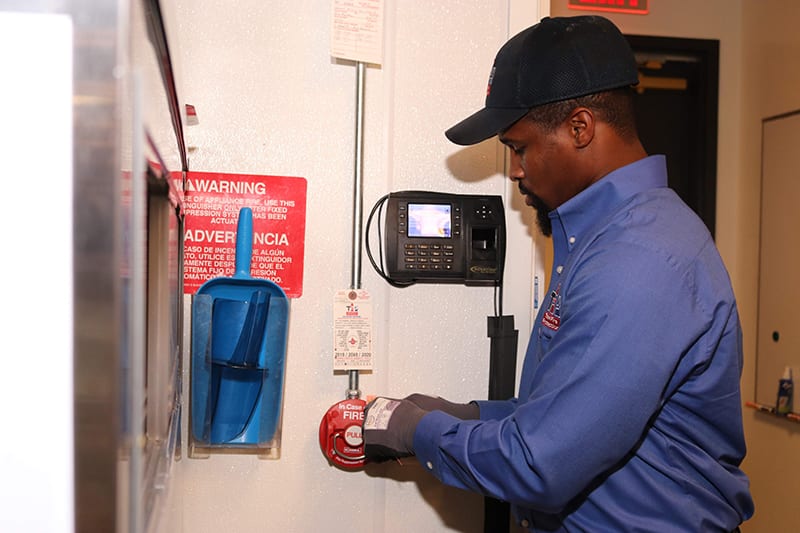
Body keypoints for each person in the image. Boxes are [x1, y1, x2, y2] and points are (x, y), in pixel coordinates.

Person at [362, 15, 754, 532]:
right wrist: (471, 415)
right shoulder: (603, 239)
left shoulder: (639, 261)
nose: (516, 170)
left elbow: (540, 462)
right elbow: (571, 414)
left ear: (580, 127)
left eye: (519, 148)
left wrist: (421, 432)